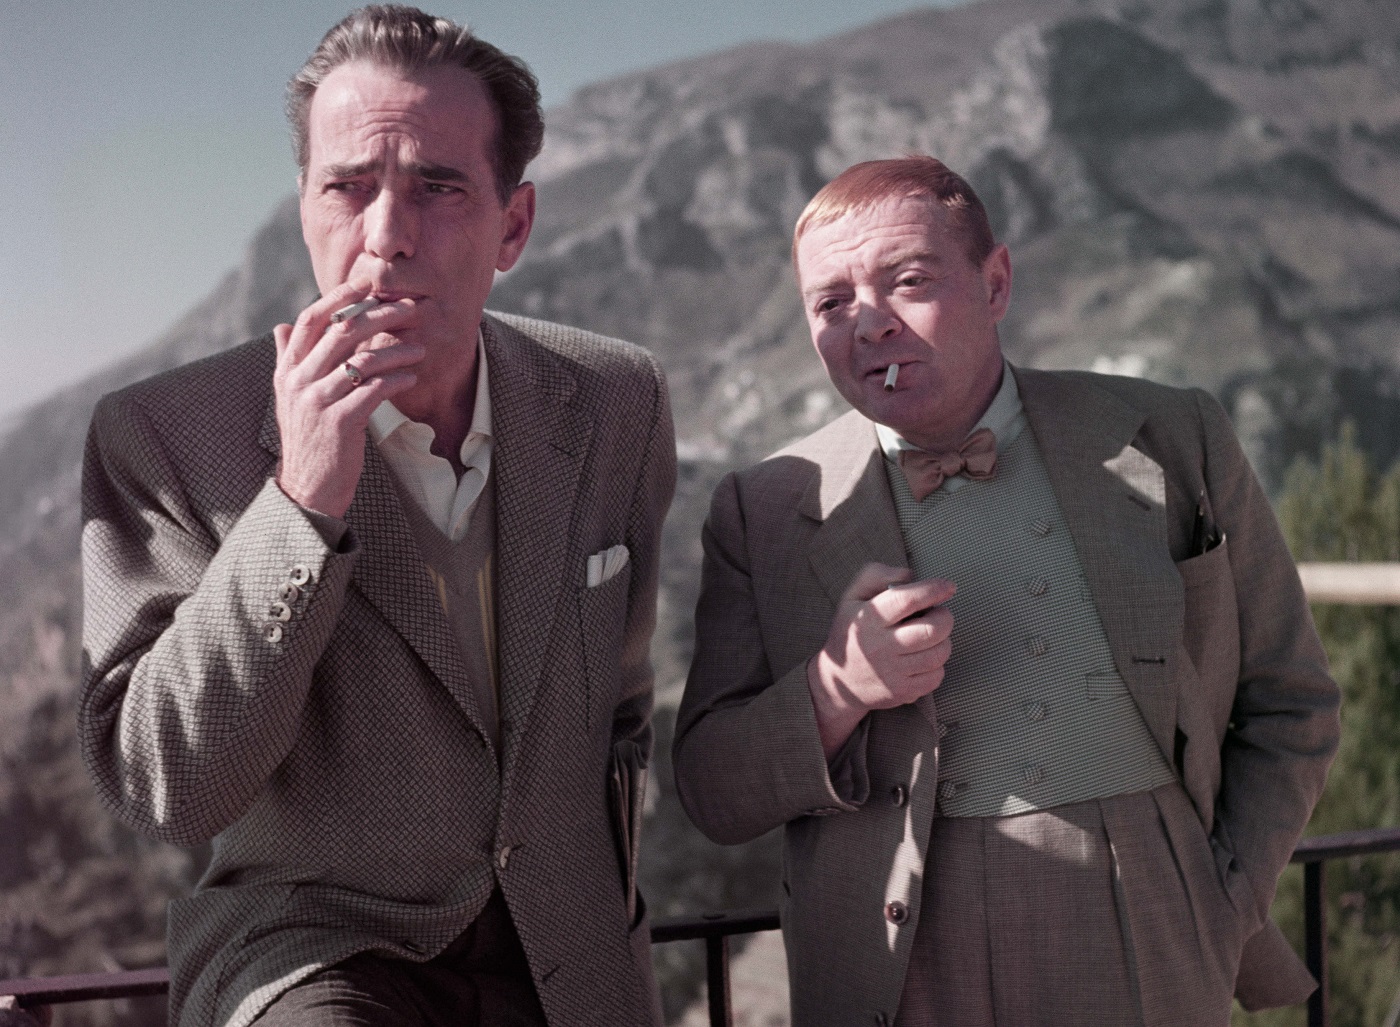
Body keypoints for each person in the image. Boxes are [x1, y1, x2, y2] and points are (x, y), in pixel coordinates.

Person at [78, 7, 674, 1026]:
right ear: (304, 206)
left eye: (438, 189)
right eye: (347, 189)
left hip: (569, 951)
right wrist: (302, 500)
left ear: (513, 226)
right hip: (316, 953)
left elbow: (620, 706)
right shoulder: (163, 436)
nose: (385, 239)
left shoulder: (613, 398)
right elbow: (166, 790)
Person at [673, 155, 1340, 1026]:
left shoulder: (1175, 436)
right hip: (895, 963)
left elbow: (1292, 703)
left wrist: (1223, 899)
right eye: (830, 302)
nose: (868, 323)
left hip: (1149, 926)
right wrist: (834, 690)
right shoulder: (759, 510)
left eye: (906, 280)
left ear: (996, 282)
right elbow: (712, 789)